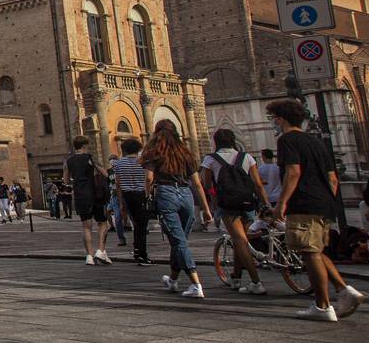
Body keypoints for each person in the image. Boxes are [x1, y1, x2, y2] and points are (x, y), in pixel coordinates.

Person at [268, 99, 365, 321]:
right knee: (316, 251)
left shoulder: (287, 140)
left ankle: (323, 306)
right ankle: (345, 290)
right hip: (323, 204)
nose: (273, 122)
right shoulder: (315, 142)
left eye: (273, 118)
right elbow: (332, 178)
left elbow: (293, 172)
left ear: (281, 119)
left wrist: (281, 203)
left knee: (309, 254)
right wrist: (326, 200)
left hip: (303, 203)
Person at [141, 120, 213, 299]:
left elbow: (149, 178)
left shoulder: (154, 152)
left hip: (166, 194)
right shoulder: (186, 153)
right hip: (186, 194)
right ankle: (172, 280)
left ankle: (196, 284)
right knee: (179, 240)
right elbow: (197, 184)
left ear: (157, 133)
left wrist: (147, 195)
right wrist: (206, 209)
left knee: (179, 241)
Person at [202, 129, 270, 295]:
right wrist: (266, 204)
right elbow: (258, 184)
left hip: (228, 205)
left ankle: (256, 282)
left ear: (215, 141)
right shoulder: (246, 157)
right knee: (241, 240)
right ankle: (236, 277)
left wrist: (213, 200)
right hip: (248, 202)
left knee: (240, 241)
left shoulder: (210, 159)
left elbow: (207, 183)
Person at [66, 137, 112, 265]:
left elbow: (66, 180)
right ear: (85, 145)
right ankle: (100, 250)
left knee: (86, 227)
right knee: (103, 223)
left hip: (80, 194)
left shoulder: (68, 161)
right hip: (94, 194)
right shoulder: (89, 158)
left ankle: (89, 256)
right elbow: (104, 173)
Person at [110, 139, 152, 265]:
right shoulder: (143, 162)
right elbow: (149, 178)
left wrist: (121, 201)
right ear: (138, 149)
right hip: (141, 195)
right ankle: (142, 254)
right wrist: (148, 193)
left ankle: (137, 250)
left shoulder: (118, 164)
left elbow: (117, 183)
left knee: (135, 223)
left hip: (127, 196)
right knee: (142, 225)